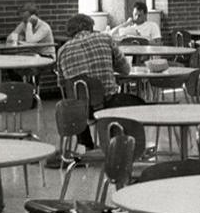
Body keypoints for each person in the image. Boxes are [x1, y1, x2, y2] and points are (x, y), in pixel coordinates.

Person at [56, 13, 140, 151]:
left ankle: (87, 146)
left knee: (76, 102)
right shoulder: (105, 39)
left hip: (81, 112)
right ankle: (119, 145)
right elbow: (125, 70)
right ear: (91, 26)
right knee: (136, 102)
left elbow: (63, 86)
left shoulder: (62, 51)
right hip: (109, 104)